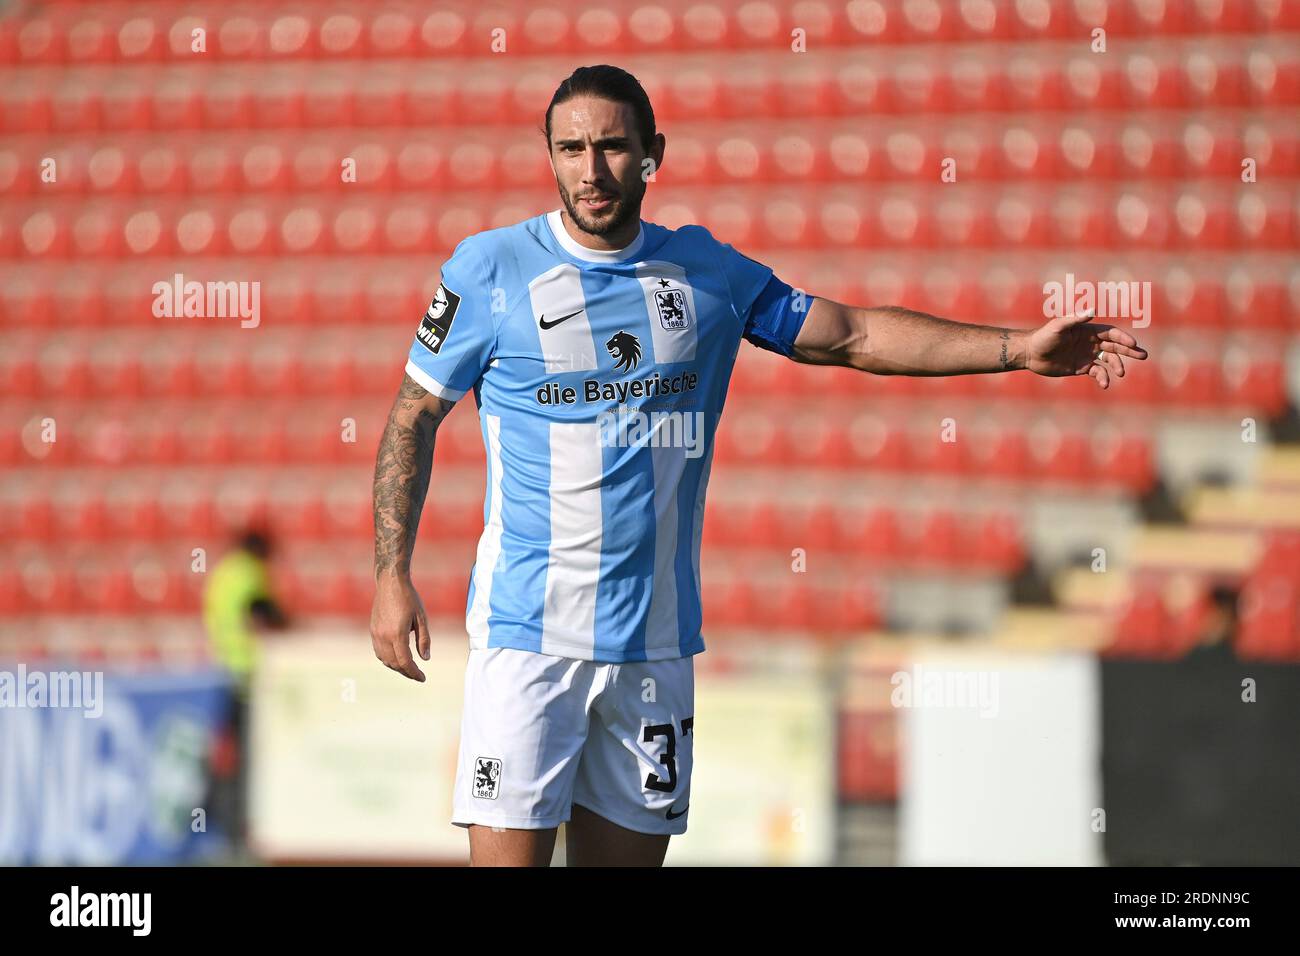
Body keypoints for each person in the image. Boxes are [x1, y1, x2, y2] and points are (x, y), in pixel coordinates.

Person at [369, 65, 1149, 867]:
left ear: (651, 155)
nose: (590, 170)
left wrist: (1016, 349)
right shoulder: (491, 269)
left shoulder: (706, 274)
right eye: (570, 149)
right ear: (550, 156)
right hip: (526, 645)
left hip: (655, 648)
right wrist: (391, 573)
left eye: (611, 147)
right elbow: (413, 415)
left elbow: (852, 336)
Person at [202, 527, 288, 852]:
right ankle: (238, 831)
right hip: (246, 677)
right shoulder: (249, 572)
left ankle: (220, 826)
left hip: (223, 670)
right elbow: (262, 612)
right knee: (246, 756)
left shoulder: (223, 572)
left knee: (227, 753)